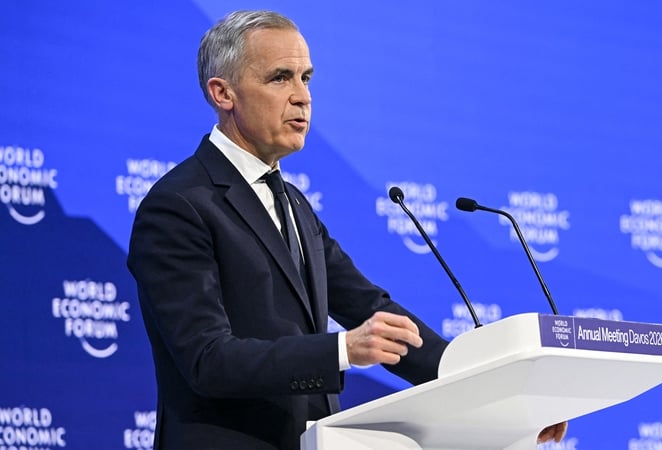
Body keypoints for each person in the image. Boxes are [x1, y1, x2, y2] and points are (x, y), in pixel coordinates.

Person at [128, 10, 566, 449]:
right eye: (280, 78)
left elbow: (374, 312)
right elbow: (208, 360)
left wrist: (500, 402)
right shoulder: (179, 205)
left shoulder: (294, 204)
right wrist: (342, 350)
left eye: (306, 78)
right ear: (223, 93)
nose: (302, 96)